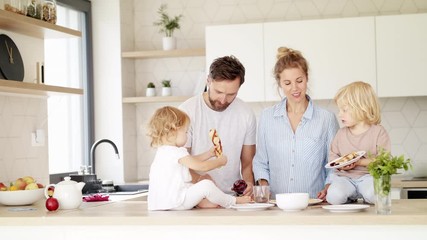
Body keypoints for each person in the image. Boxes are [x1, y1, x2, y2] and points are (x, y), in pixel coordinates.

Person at [253, 47, 340, 199]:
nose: (295, 88)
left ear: (307, 78)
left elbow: (334, 165)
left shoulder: (327, 120)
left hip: (314, 204)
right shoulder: (267, 117)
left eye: (299, 81)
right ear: (279, 83)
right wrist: (263, 185)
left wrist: (328, 187)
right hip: (276, 205)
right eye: (287, 83)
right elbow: (260, 162)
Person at [179, 55, 256, 198]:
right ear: (208, 80)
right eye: (219, 92)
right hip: (196, 197)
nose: (223, 100)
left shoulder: (246, 114)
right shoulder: (187, 112)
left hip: (232, 197)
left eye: (231, 94)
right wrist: (201, 181)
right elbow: (181, 162)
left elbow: (247, 165)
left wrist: (249, 185)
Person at [147, 106, 251, 211]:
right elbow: (201, 167)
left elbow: (191, 160)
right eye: (185, 132)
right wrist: (219, 162)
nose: (187, 135)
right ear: (173, 131)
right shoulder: (176, 152)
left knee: (191, 185)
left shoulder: (163, 151)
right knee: (206, 185)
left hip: (161, 203)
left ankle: (202, 202)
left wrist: (208, 154)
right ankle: (233, 201)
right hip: (177, 202)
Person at [324, 81, 391, 205]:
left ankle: (363, 195)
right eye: (339, 110)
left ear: (362, 108)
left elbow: (384, 161)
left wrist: (359, 162)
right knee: (334, 196)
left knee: (375, 195)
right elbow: (333, 157)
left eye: (344, 110)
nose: (340, 114)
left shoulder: (378, 132)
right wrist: (342, 165)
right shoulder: (341, 133)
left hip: (368, 177)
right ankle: (350, 196)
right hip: (344, 178)